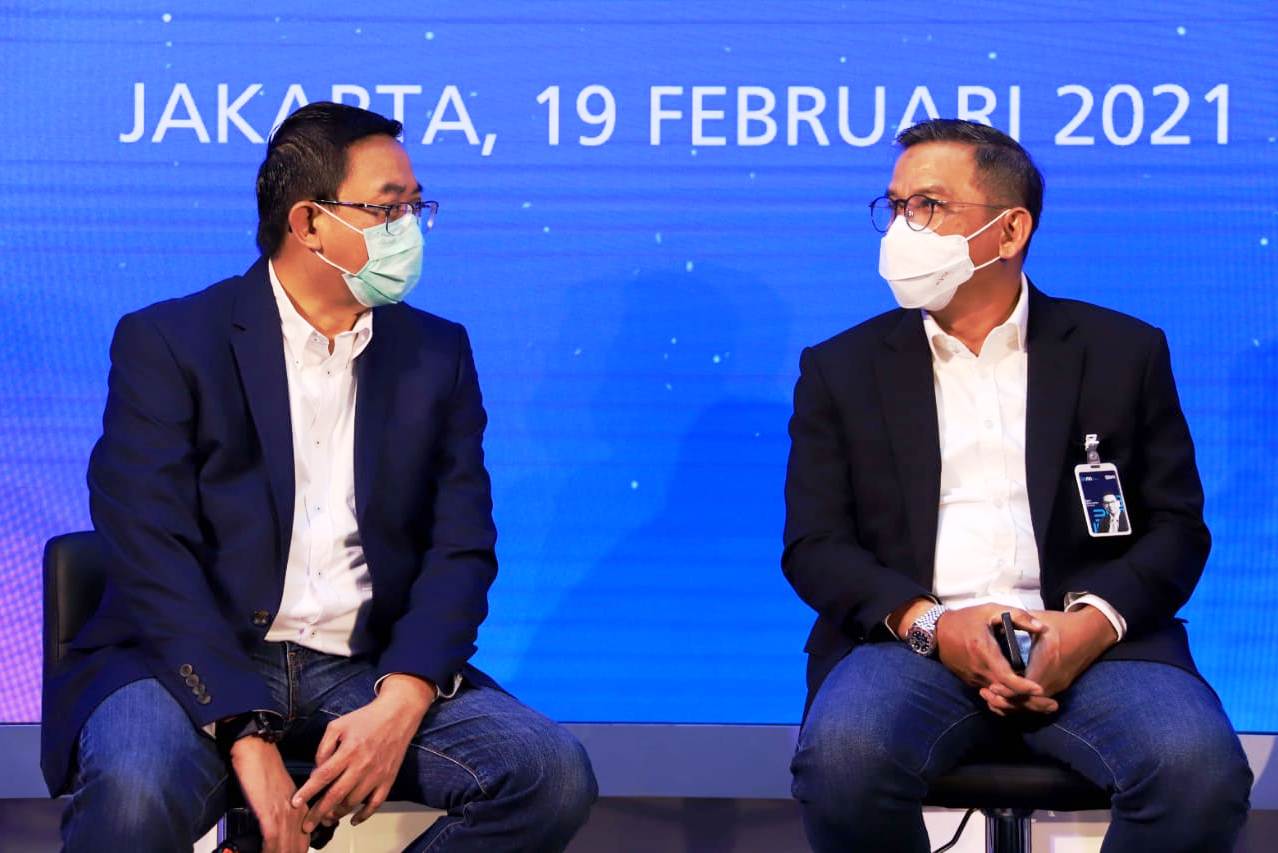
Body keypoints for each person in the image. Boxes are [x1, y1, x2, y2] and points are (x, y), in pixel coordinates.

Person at [43, 102, 596, 853]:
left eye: (416, 206)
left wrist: (404, 694)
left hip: (362, 666)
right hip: (192, 657)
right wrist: (244, 732)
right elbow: (150, 550)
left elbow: (460, 548)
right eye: (388, 209)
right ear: (308, 222)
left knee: (548, 774)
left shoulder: (436, 353)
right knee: (135, 797)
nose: (409, 229)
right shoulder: (171, 341)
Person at [782, 118, 1251, 852]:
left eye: (928, 206)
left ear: (1009, 230)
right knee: (844, 759)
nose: (903, 228)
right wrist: (933, 626)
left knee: (1197, 771)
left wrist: (1087, 626)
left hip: (1096, 646)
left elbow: (1176, 529)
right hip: (912, 646)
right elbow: (815, 545)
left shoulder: (1121, 352)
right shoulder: (841, 367)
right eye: (895, 205)